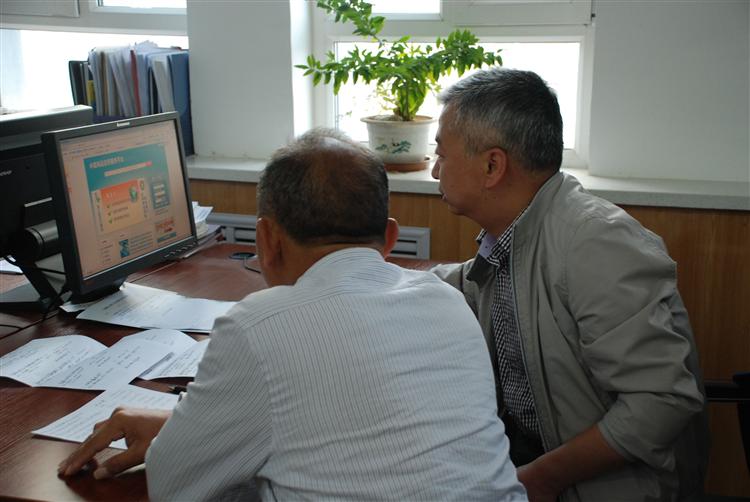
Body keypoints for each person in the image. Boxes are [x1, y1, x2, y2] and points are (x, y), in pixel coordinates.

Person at [57, 128, 527, 501]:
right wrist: (189, 431)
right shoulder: (448, 301)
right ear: (389, 239)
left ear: (266, 240)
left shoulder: (258, 326)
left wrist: (182, 442)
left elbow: (175, 487)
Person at [430, 68, 709, 502]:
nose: (434, 171)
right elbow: (467, 282)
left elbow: (661, 402)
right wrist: (371, 274)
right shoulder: (515, 235)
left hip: (602, 486)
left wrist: (543, 478)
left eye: (441, 154)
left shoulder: (595, 241)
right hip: (534, 461)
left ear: (492, 166)